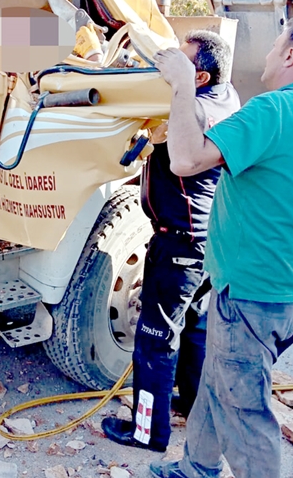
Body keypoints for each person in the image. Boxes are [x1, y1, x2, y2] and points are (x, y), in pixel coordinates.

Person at [149, 17, 293, 478]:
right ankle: (197, 467)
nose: (265, 55)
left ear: (292, 55)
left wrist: (179, 84)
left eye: (273, 45)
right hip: (283, 289)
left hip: (252, 288)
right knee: (222, 383)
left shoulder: (276, 109)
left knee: (245, 404)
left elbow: (185, 159)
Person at [102, 31, 239, 453]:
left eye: (179, 64)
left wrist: (177, 87)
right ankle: (191, 404)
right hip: (204, 242)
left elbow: (180, 146)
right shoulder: (224, 95)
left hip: (180, 245)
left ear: (198, 76)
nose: (168, 70)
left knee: (153, 337)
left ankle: (147, 432)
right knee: (193, 328)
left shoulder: (193, 108)